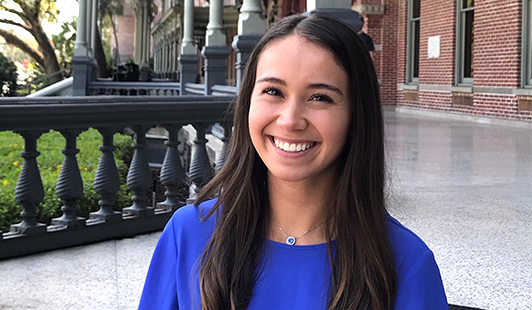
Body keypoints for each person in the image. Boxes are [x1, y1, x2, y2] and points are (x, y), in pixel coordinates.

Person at [138, 13, 447, 310]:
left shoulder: (404, 263)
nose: (289, 120)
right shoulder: (189, 235)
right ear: (248, 104)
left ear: (355, 117)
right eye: (273, 91)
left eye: (320, 97)